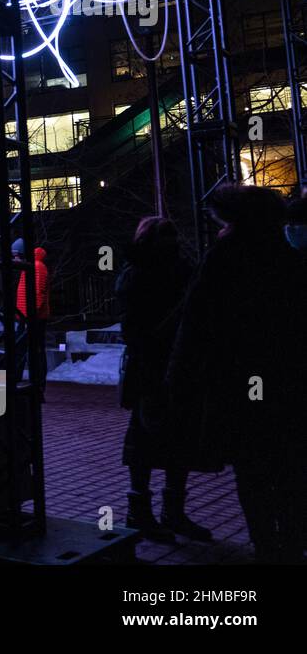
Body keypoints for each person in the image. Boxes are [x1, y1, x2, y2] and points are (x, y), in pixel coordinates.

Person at [170, 185, 305, 562]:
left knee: (253, 470)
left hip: (239, 383)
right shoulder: (290, 259)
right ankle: (291, 544)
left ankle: (266, 545)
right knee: (290, 468)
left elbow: (195, 324)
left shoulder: (223, 259)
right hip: (288, 384)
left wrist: (179, 379)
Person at [116, 216, 209, 542]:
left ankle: (150, 510)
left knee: (158, 439)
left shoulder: (139, 273)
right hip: (160, 367)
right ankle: (158, 511)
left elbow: (132, 328)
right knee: (156, 438)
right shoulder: (173, 272)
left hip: (156, 367)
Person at [13, 238, 50, 388]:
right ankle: (20, 377)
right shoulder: (30, 267)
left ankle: (38, 382)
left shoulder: (36, 267)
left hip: (32, 317)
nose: (14, 259)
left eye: (16, 255)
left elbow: (37, 294)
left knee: (35, 349)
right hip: (27, 316)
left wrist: (30, 316)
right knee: (24, 348)